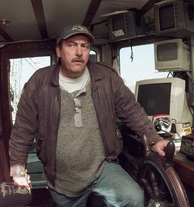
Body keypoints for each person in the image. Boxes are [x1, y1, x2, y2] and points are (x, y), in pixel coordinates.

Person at [9, 24, 169, 207]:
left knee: (133, 198)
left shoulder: (106, 77)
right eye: (71, 45)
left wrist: (155, 139)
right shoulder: (39, 82)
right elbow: (23, 129)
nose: (79, 52)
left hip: (103, 168)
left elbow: (131, 110)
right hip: (61, 178)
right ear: (59, 51)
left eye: (84, 46)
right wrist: (17, 170)